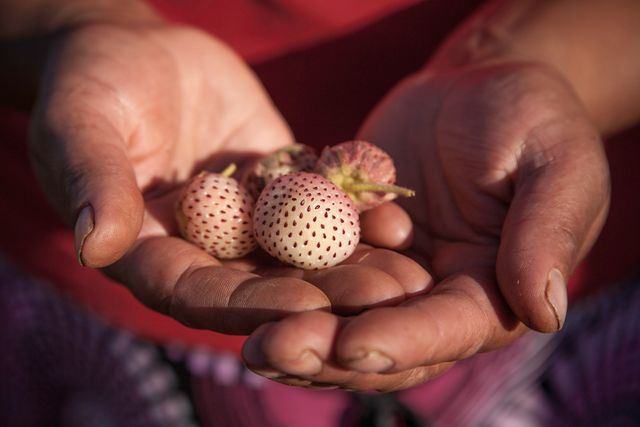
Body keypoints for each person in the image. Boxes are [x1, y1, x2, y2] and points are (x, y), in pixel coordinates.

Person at [1, 0, 639, 409]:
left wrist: (535, 61)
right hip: (85, 288)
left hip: (525, 268)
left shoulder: (322, 186)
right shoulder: (268, 190)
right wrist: (73, 27)